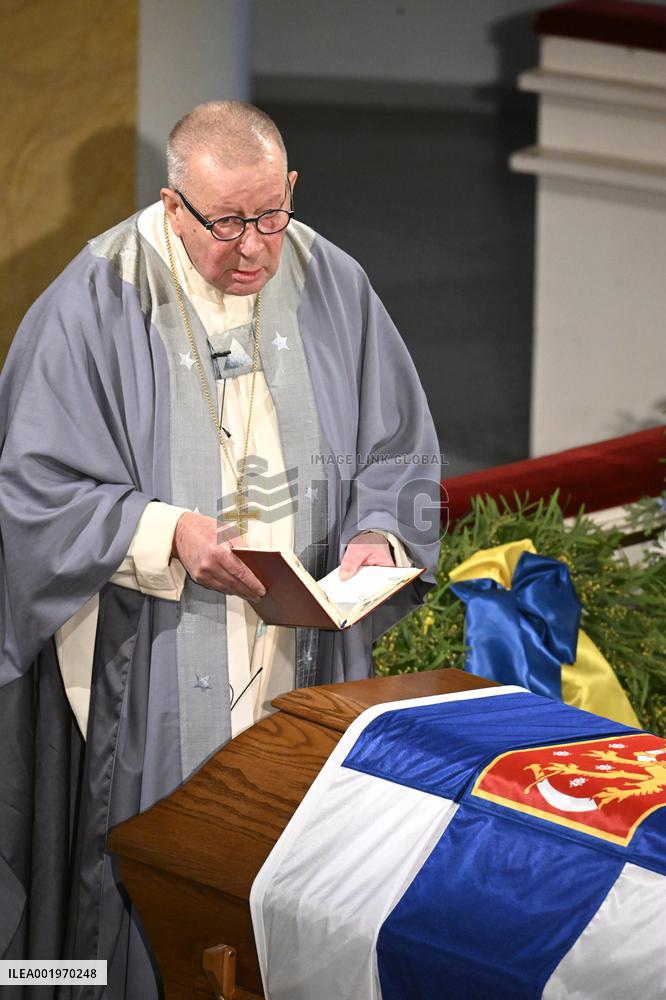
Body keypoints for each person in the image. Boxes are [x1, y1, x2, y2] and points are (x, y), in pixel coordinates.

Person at [0, 101, 441, 997]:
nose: (254, 249)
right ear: (173, 206)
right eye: (226, 223)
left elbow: (400, 449)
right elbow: (31, 489)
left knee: (292, 876)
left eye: (271, 215)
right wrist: (167, 534)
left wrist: (374, 535)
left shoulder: (332, 281)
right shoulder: (93, 301)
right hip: (153, 653)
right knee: (163, 884)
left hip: (303, 649)